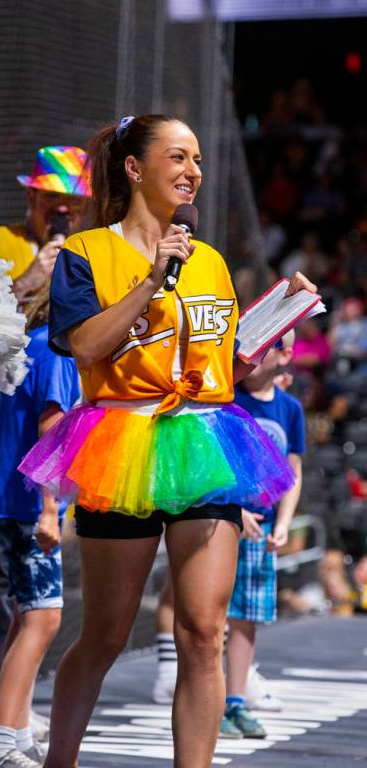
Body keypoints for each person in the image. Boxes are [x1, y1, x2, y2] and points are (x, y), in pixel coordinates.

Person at [18, 114, 315, 768]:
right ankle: (58, 762)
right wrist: (153, 278)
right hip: (120, 439)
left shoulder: (209, 261)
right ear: (133, 168)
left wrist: (280, 312)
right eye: (178, 156)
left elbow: (226, 362)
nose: (193, 170)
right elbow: (84, 346)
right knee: (105, 633)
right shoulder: (85, 253)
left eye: (199, 159)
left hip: (207, 440)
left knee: (204, 631)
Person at [0, 285, 80, 768]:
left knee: (24, 616)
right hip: (32, 508)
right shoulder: (57, 354)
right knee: (42, 619)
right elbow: (51, 430)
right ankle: (0, 743)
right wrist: (50, 510)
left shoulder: (21, 347)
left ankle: (17, 727)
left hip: (0, 500)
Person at [222, 332, 305, 739]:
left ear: (286, 354)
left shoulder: (290, 409)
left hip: (263, 528)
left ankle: (235, 702)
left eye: (267, 343)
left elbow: (292, 472)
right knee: (208, 617)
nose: (251, 351)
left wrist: (285, 522)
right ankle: (206, 697)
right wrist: (233, 509)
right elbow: (210, 459)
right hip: (221, 520)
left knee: (246, 619)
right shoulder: (228, 397)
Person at [0, 146, 90, 302]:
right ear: (31, 197)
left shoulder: (92, 256)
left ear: (86, 206)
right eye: (52, 196)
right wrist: (24, 284)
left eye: (74, 201)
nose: (62, 208)